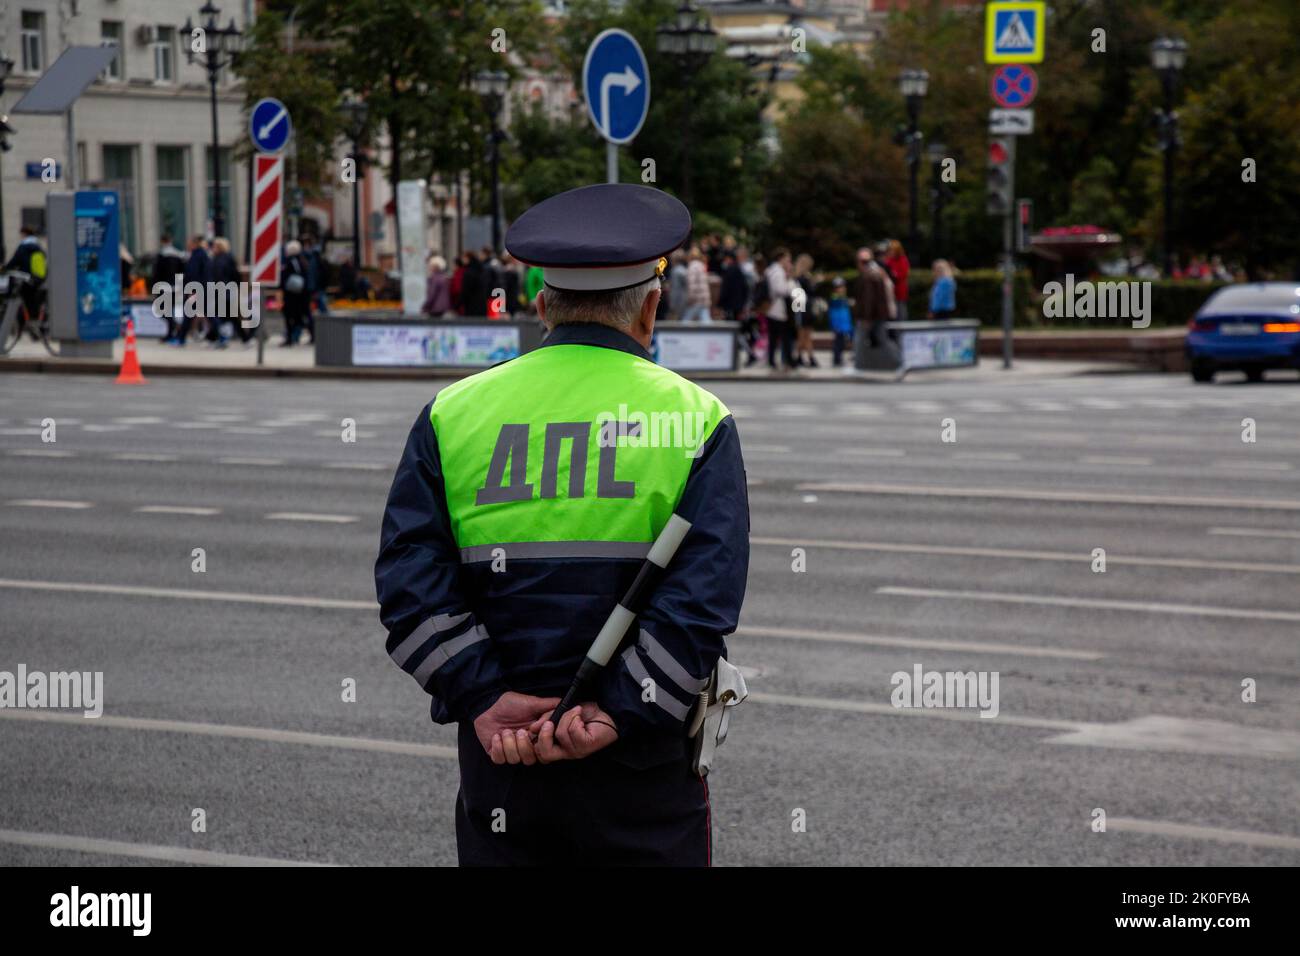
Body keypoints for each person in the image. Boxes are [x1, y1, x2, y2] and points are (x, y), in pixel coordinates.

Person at [375, 183, 750, 866]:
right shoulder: (699, 420)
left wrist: (485, 694)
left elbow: (409, 585)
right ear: (651, 307)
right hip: (641, 768)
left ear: (542, 304)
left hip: (503, 766)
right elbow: (703, 603)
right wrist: (617, 710)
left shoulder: (452, 413)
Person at [853, 246, 892, 369]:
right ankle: (895, 362)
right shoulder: (877, 273)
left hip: (869, 315)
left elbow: (868, 299)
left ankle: (859, 365)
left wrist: (866, 317)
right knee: (881, 339)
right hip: (878, 314)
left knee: (860, 340)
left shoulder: (869, 276)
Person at [2, 227, 48, 328]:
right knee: (33, 299)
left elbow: (15, 261)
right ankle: (35, 320)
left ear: (24, 234)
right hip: (38, 278)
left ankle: (25, 322)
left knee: (17, 295)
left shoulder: (23, 247)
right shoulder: (38, 246)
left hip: (26, 279)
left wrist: (4, 269)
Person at [718, 248, 753, 363]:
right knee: (738, 330)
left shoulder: (730, 270)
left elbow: (725, 289)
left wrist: (720, 304)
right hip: (738, 306)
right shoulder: (738, 270)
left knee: (735, 332)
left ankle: (749, 353)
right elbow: (745, 288)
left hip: (731, 306)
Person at [209, 237, 246, 345]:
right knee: (228, 315)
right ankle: (244, 338)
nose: (213, 248)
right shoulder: (220, 258)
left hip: (224, 290)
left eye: (215, 246)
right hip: (223, 290)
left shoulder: (222, 259)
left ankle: (218, 337)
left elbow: (232, 275)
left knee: (218, 314)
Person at [174, 236, 210, 346]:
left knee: (193, 313)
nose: (187, 245)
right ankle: (181, 338)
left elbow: (193, 273)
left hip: (196, 289)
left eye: (189, 243)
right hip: (201, 288)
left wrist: (192, 289)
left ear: (194, 244)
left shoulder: (196, 255)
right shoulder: (201, 254)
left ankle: (181, 338)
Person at [150, 234, 185, 342]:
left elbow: (156, 274)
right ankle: (173, 330)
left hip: (163, 287)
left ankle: (173, 328)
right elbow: (182, 272)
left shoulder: (161, 256)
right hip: (175, 287)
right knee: (171, 310)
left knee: (163, 310)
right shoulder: (178, 255)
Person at [763, 248, 794, 371]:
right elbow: (779, 289)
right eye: (787, 259)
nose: (788, 261)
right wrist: (789, 288)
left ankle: (772, 360)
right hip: (777, 308)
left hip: (771, 307)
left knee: (773, 337)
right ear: (780, 258)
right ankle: (786, 360)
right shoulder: (778, 271)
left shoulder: (770, 270)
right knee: (783, 336)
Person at [280, 240, 311, 345]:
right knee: (302, 315)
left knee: (290, 316)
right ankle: (297, 336)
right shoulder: (302, 260)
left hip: (292, 294)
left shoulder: (291, 261)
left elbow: (286, 277)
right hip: (301, 293)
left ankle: (290, 338)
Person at [791, 252, 818, 368]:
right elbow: (810, 292)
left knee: (805, 334)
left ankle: (803, 357)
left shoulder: (800, 277)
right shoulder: (802, 278)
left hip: (803, 307)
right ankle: (800, 357)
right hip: (803, 308)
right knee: (803, 334)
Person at [828, 276, 853, 367]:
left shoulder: (843, 298)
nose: (842, 289)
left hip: (844, 325)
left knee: (842, 342)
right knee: (838, 342)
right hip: (838, 325)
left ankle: (839, 358)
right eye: (840, 287)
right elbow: (833, 314)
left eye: (843, 287)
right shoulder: (835, 298)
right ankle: (837, 359)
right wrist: (834, 325)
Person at [682, 247, 712, 323]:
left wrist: (690, 299)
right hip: (704, 298)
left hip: (696, 299)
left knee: (685, 321)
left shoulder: (692, 267)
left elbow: (691, 285)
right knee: (706, 320)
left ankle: (680, 334)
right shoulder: (701, 266)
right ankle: (712, 334)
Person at [884, 240, 911, 322]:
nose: (890, 252)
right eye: (889, 250)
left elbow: (902, 275)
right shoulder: (888, 260)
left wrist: (893, 274)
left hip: (899, 292)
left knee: (901, 313)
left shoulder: (903, 260)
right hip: (889, 292)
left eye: (892, 250)